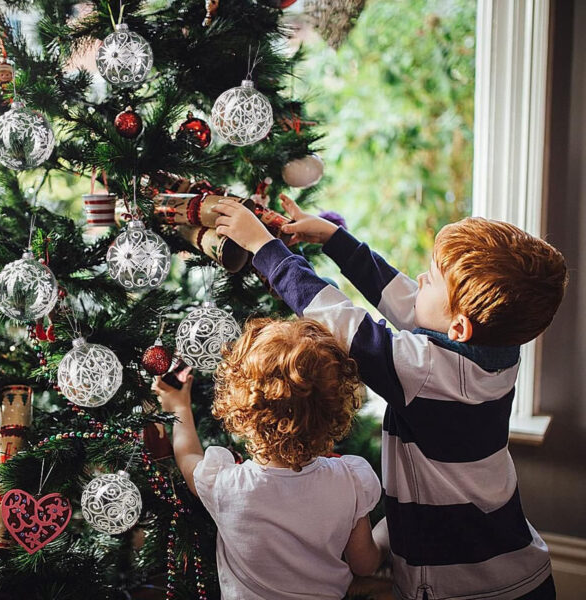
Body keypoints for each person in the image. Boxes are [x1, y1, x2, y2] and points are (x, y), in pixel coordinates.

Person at [211, 195, 568, 600]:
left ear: (460, 328)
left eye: (430, 279)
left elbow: (341, 320)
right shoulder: (495, 353)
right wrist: (334, 239)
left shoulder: (426, 373)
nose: (418, 278)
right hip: (518, 568)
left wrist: (265, 249)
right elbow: (406, 300)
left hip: (467, 586)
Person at [152, 317, 383, 600]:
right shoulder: (350, 481)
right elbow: (365, 564)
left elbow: (188, 455)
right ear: (334, 410)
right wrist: (386, 534)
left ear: (242, 410)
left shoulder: (226, 485)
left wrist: (178, 406)